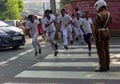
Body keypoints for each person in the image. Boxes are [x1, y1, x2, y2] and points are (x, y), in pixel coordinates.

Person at [94, 0, 112, 72]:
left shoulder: (99, 15)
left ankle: (102, 67)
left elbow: (96, 27)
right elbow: (110, 22)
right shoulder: (109, 14)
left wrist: (93, 36)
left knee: (101, 50)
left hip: (100, 34)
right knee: (106, 49)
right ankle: (107, 65)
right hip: (107, 32)